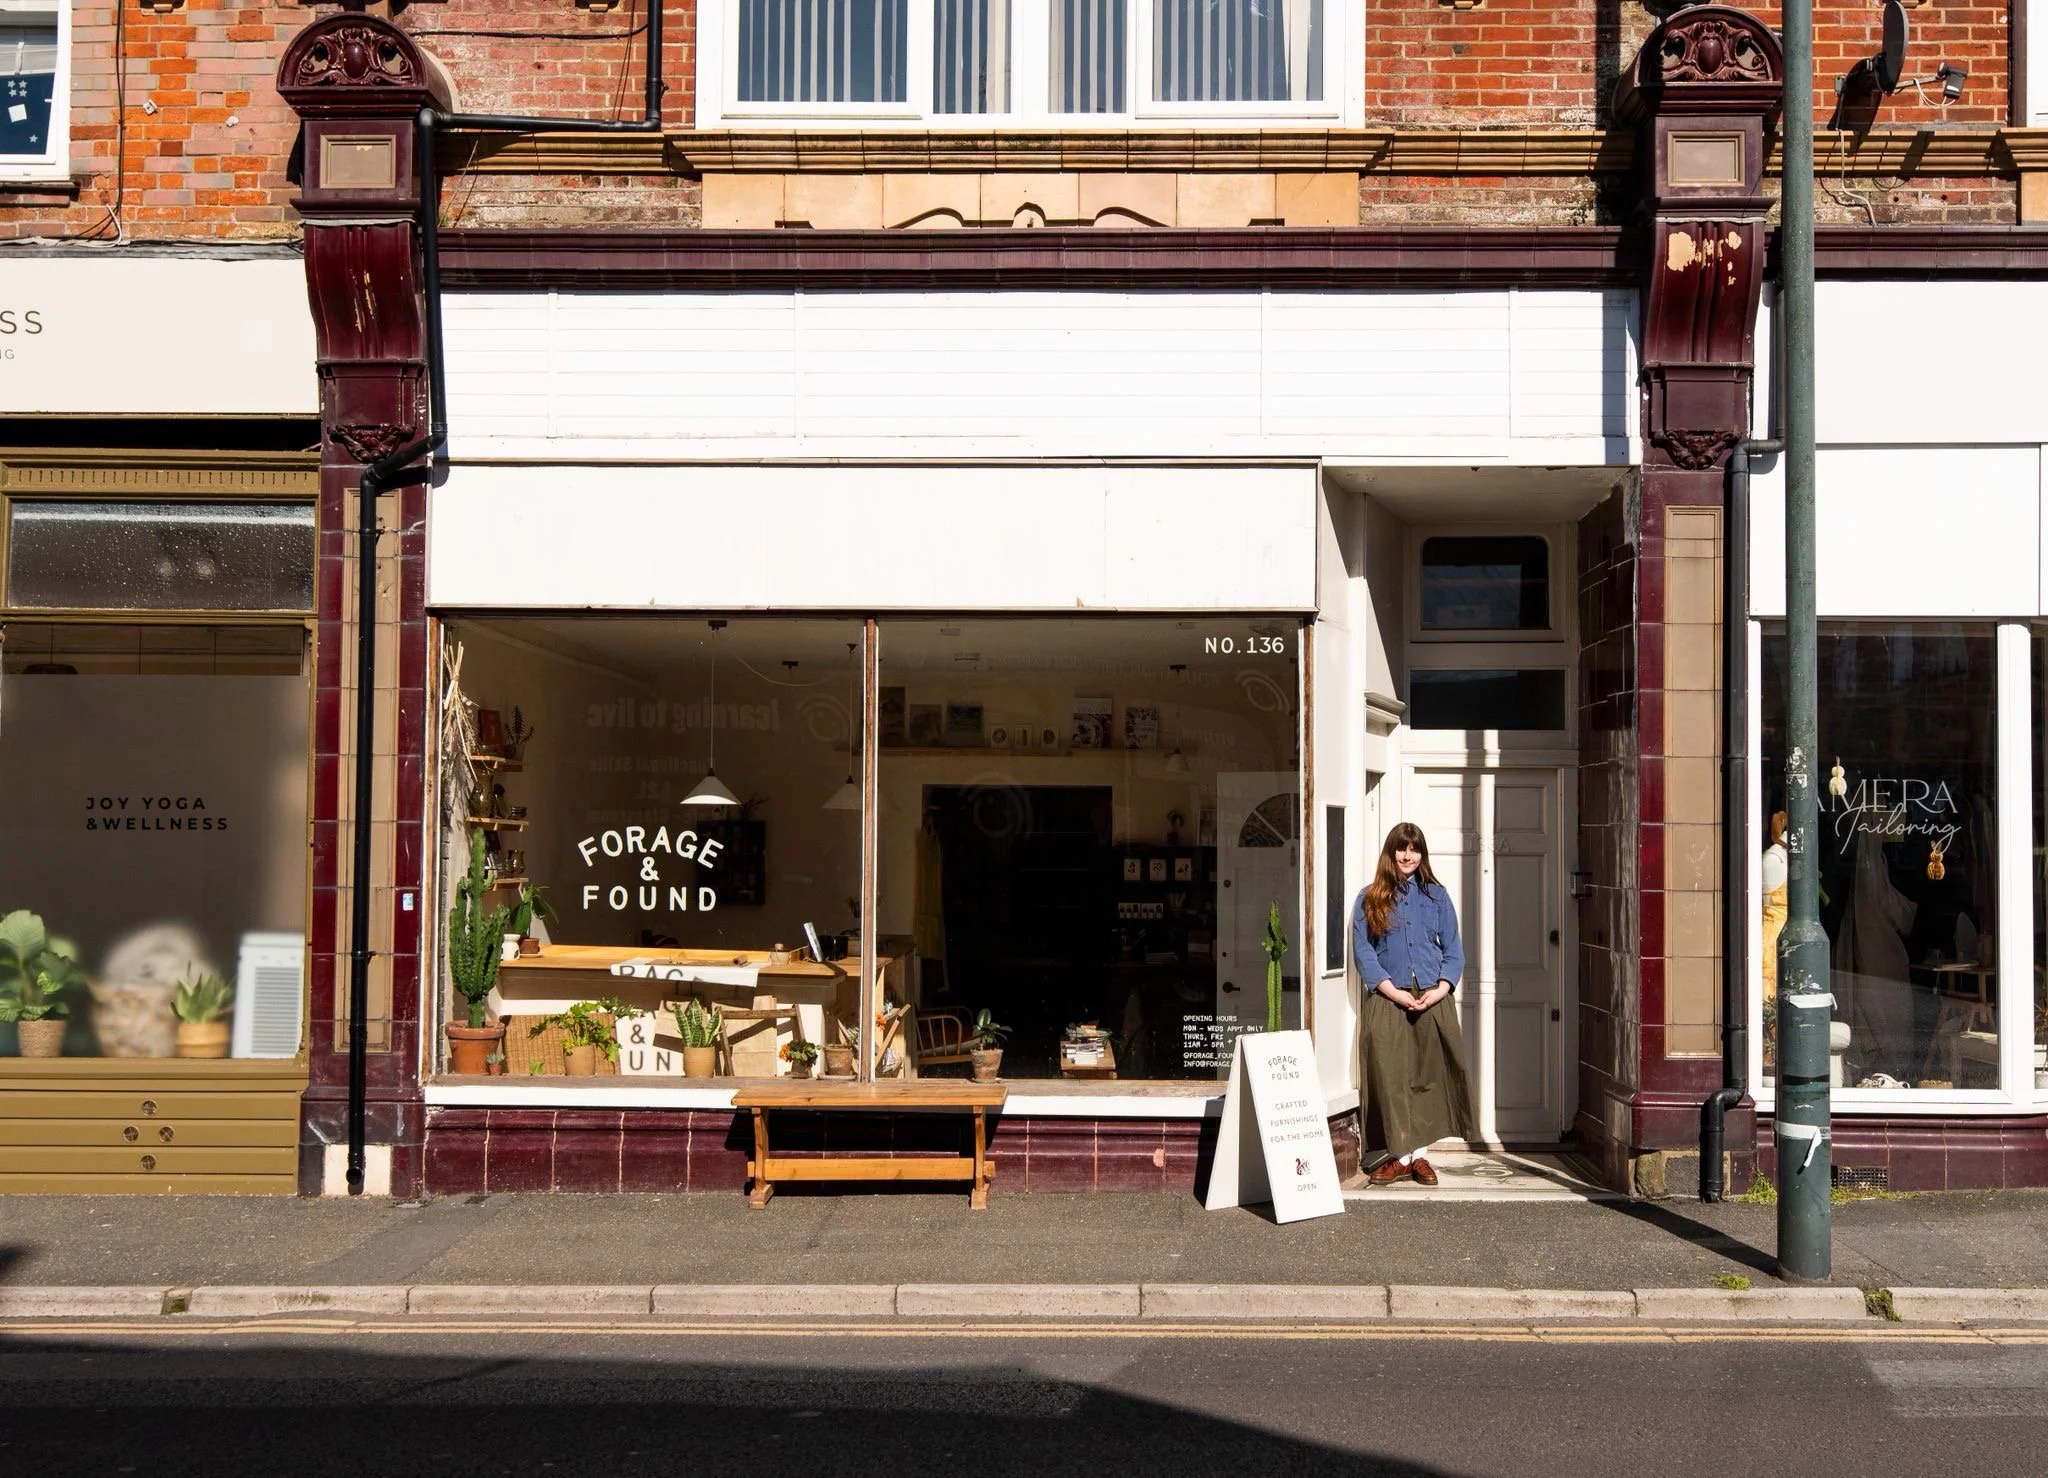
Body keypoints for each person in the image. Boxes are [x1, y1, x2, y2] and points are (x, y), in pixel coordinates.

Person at [1352, 822, 1477, 1186]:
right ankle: (1398, 1157)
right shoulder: (1369, 898)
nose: (1408, 856)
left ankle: (1419, 1157)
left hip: (1430, 997)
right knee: (1390, 1078)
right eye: (1401, 849)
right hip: (1389, 997)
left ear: (1422, 854)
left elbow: (1453, 951)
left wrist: (1439, 990)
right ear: (1390, 853)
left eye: (1415, 849)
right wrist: (1394, 991)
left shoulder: (1437, 896)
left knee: (1427, 1077)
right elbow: (1365, 955)